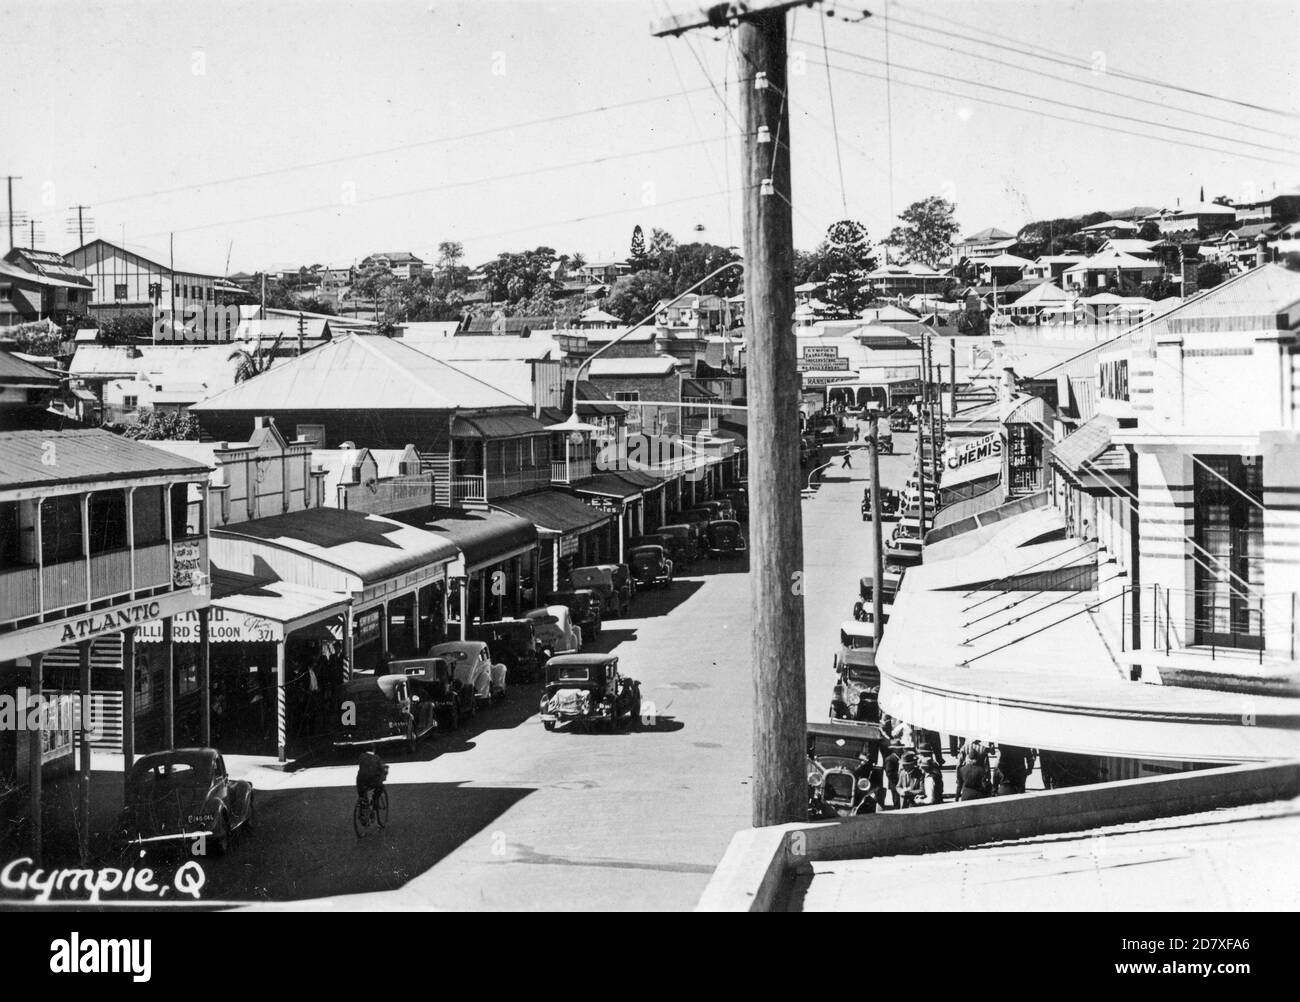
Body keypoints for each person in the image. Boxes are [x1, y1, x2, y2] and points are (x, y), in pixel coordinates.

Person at [356, 749, 388, 815]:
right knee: (380, 787)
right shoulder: (377, 758)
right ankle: (375, 802)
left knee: (362, 794)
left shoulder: (361, 756)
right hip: (371, 781)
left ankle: (362, 808)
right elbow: (381, 770)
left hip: (360, 781)